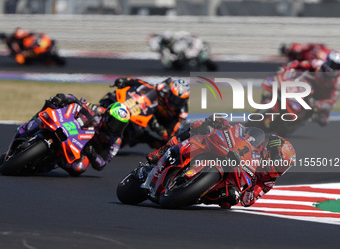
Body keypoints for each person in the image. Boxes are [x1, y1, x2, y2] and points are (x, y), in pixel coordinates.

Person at [139, 115, 296, 209]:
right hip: (226, 152)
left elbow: (248, 201)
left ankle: (195, 194)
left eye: (284, 167)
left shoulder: (268, 182)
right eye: (280, 163)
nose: (280, 169)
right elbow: (242, 133)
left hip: (229, 181)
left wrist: (249, 186)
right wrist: (222, 124)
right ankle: (162, 151)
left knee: (231, 200)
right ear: (271, 152)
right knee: (200, 126)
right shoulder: (256, 143)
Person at [0, 93, 130, 176]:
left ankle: (43, 165)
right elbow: (79, 103)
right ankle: (31, 124)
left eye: (120, 125)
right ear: (107, 115)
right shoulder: (99, 110)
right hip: (72, 128)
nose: (115, 127)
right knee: (52, 105)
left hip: (81, 148)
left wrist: (92, 153)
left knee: (79, 168)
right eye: (113, 122)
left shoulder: (115, 140)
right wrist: (63, 98)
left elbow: (102, 163)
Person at [112, 77, 190, 148]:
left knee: (165, 146)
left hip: (161, 122)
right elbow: (145, 85)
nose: (176, 103)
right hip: (147, 110)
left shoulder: (181, 113)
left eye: (180, 101)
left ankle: (139, 138)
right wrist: (127, 81)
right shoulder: (162, 88)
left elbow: (170, 135)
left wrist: (158, 127)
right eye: (174, 98)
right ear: (169, 93)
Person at [277, 50, 340, 126]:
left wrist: (319, 104)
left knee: (323, 120)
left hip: (320, 98)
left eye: (336, 65)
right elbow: (299, 64)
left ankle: (307, 116)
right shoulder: (317, 64)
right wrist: (286, 68)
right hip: (308, 86)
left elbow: (332, 100)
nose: (332, 67)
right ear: (327, 60)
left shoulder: (338, 81)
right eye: (331, 63)